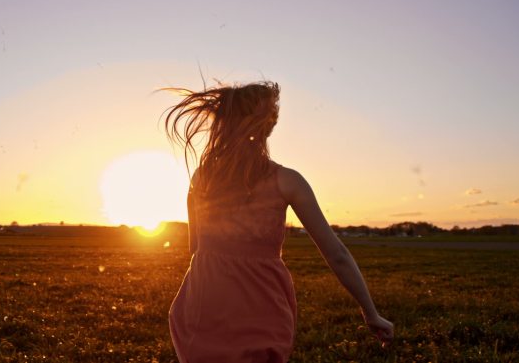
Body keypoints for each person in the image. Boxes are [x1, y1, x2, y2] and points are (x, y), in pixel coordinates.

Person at [162, 81, 393, 363]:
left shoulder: (201, 178)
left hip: (200, 310)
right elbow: (337, 255)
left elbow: (195, 248)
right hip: (261, 311)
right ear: (269, 126)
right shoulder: (288, 181)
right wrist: (370, 313)